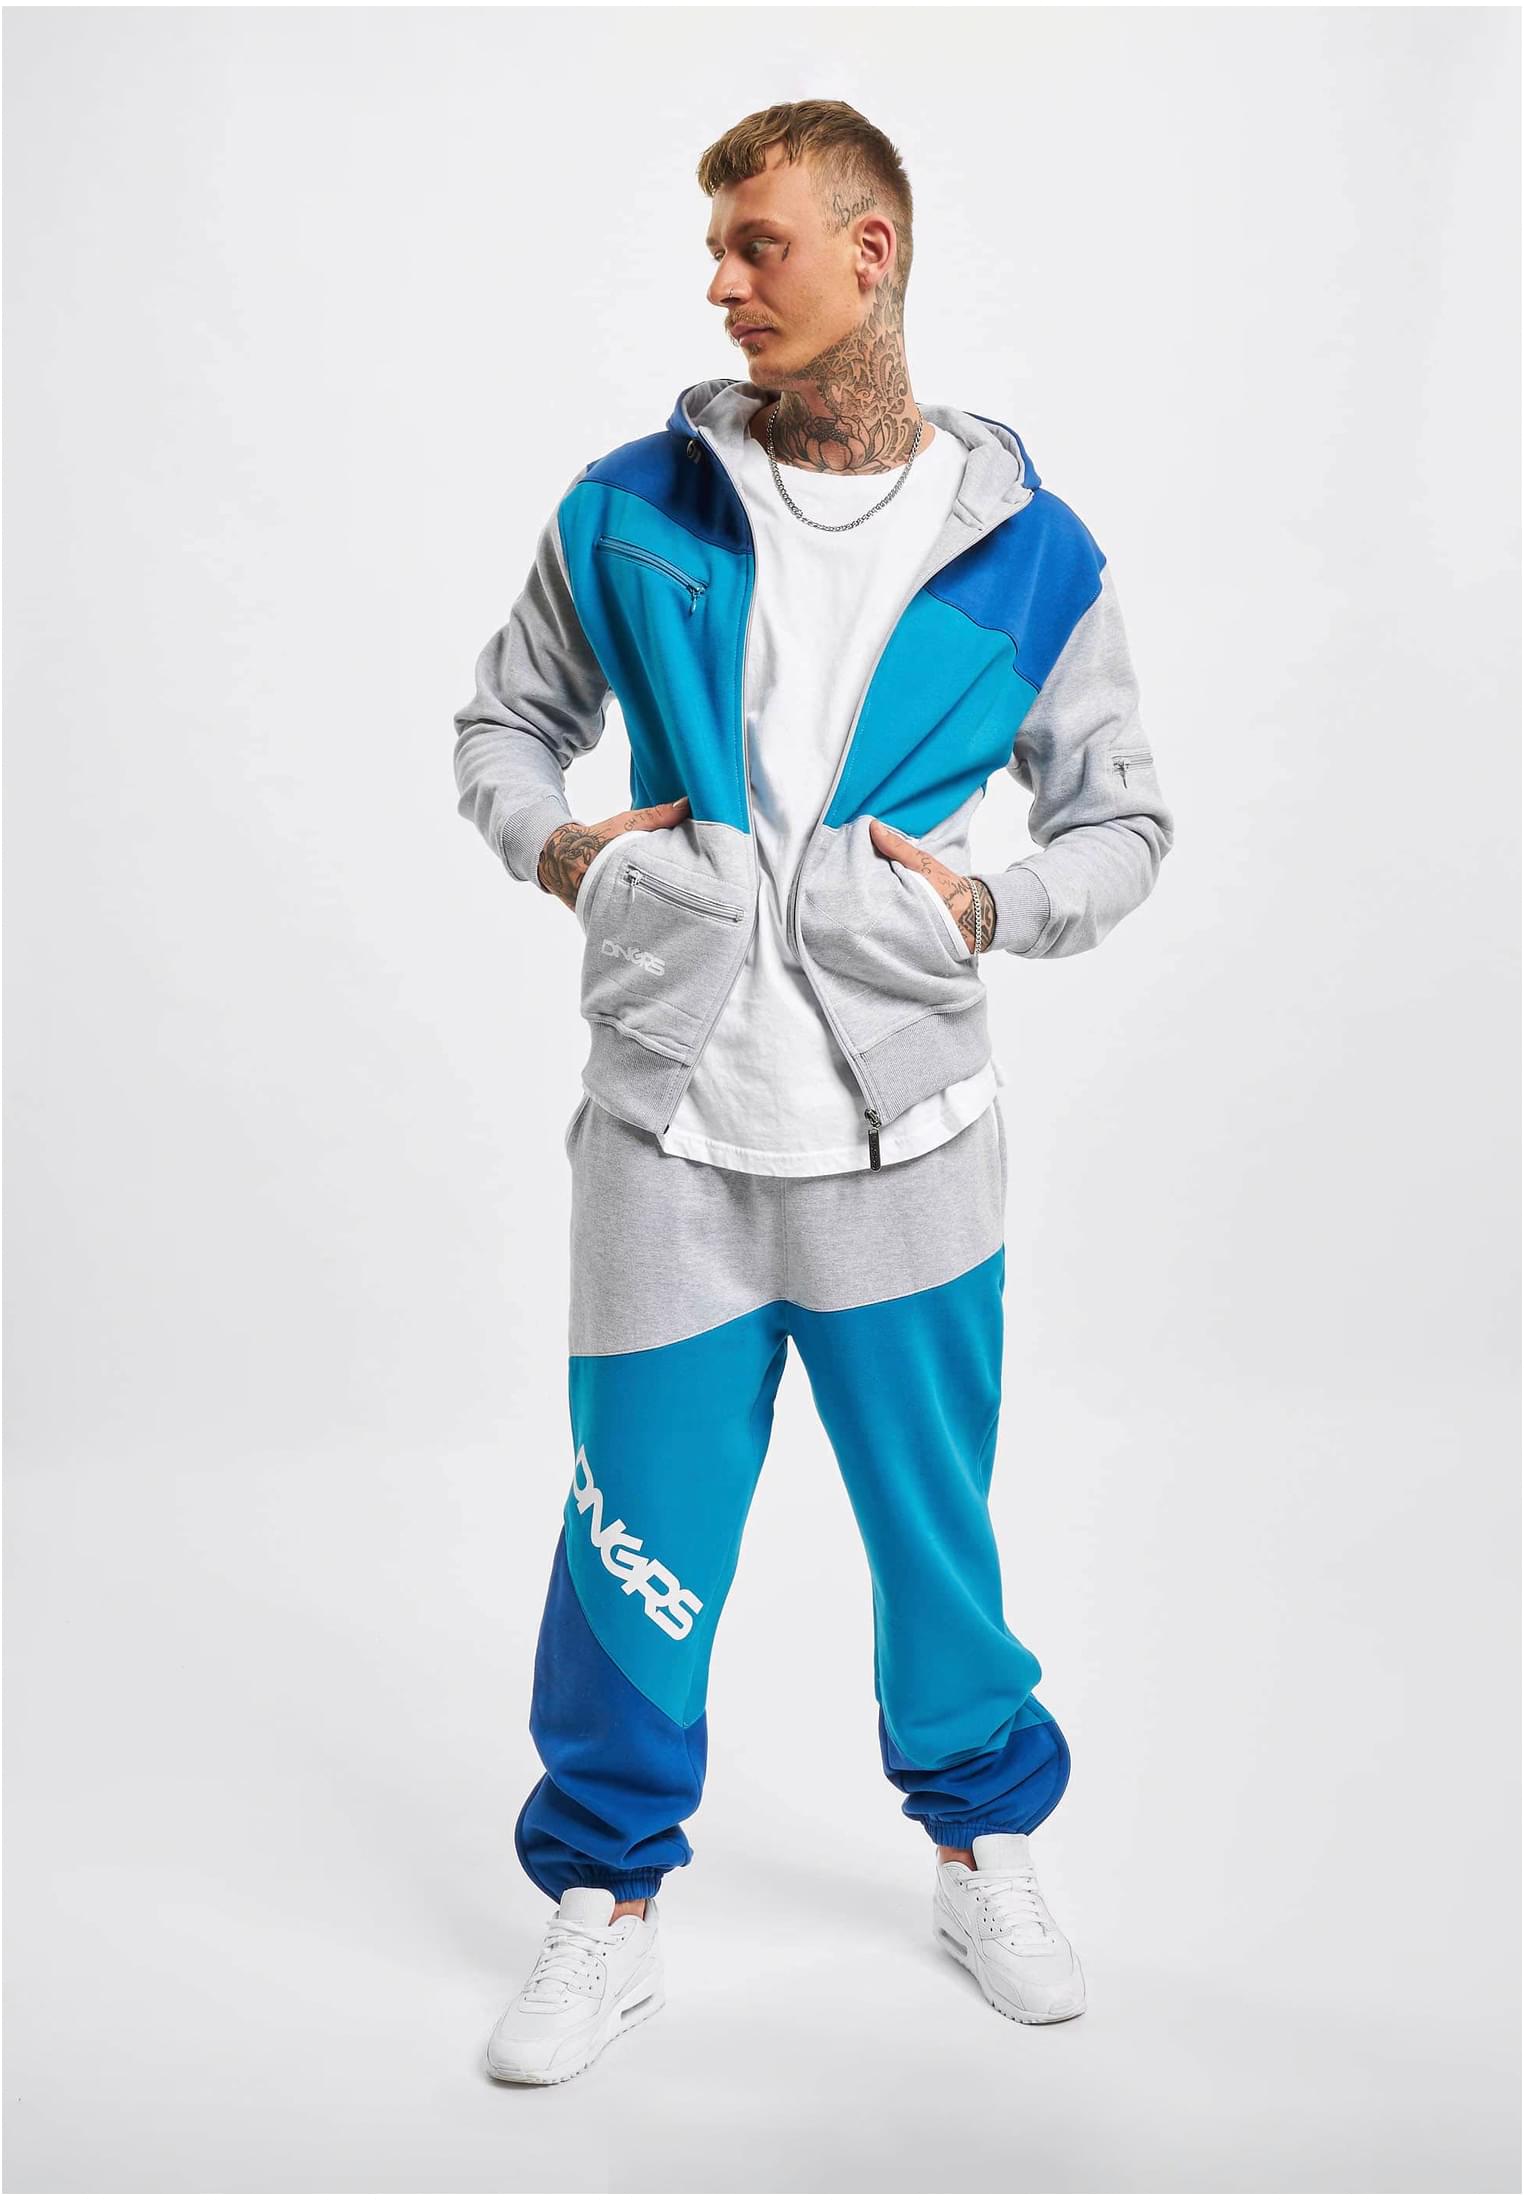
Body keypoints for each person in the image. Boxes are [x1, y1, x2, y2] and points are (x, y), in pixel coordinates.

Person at [452, 98, 1175, 2086]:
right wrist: (564, 847)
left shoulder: (1032, 555)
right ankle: (603, 1902)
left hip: (909, 1146)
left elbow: (1124, 822)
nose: (720, 284)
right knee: (634, 1540)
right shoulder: (630, 508)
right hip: (666, 1139)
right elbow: (506, 724)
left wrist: (993, 904)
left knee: (936, 1538)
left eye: (756, 244)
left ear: (874, 251)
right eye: (715, 248)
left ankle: (983, 1847)